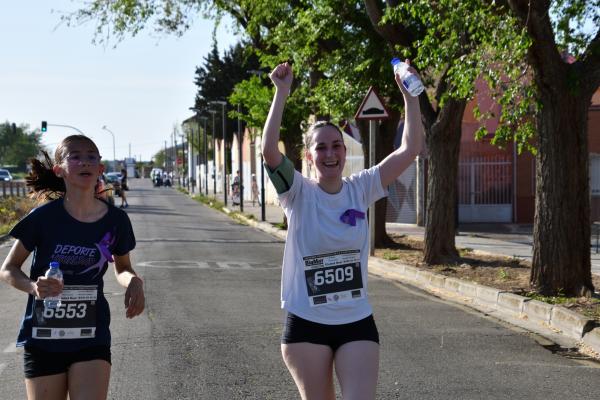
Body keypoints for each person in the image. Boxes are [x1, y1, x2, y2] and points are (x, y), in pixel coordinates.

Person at [262, 61, 423, 399]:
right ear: (309, 156)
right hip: (306, 325)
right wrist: (281, 93)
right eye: (321, 147)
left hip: (356, 322)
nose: (330, 153)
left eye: (336, 145)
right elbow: (269, 151)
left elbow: (409, 150)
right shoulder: (297, 193)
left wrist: (410, 97)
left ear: (344, 151)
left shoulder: (360, 187)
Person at [0, 135, 145, 400]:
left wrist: (134, 281)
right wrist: (34, 287)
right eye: (75, 156)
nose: (85, 161)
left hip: (91, 334)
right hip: (44, 335)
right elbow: (8, 268)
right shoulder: (43, 218)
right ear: (60, 170)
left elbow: (123, 268)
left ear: (100, 168)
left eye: (92, 156)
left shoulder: (116, 221)